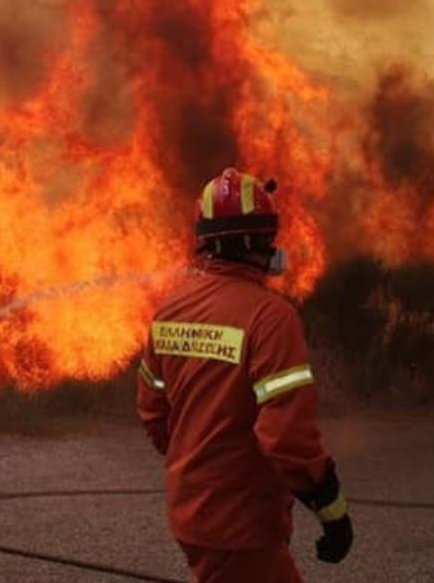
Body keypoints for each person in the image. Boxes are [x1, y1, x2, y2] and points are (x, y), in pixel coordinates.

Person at [137, 168, 355, 583]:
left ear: (204, 239)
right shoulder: (270, 318)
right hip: (242, 526)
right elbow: (286, 437)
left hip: (189, 512)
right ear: (259, 241)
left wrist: (196, 459)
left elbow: (152, 412)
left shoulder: (169, 312)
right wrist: (332, 510)